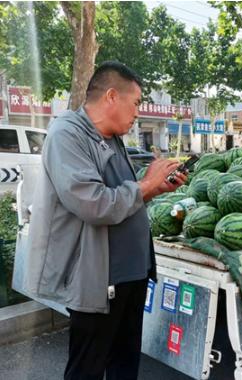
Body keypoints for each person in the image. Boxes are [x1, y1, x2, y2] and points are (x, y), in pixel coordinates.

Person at [25, 61, 186, 380]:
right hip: (97, 281)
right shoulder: (67, 133)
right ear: (112, 96)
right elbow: (93, 203)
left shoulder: (111, 137)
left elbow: (124, 198)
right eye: (136, 102)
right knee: (87, 368)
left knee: (124, 364)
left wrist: (155, 189)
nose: (138, 112)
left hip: (131, 276)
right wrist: (148, 184)